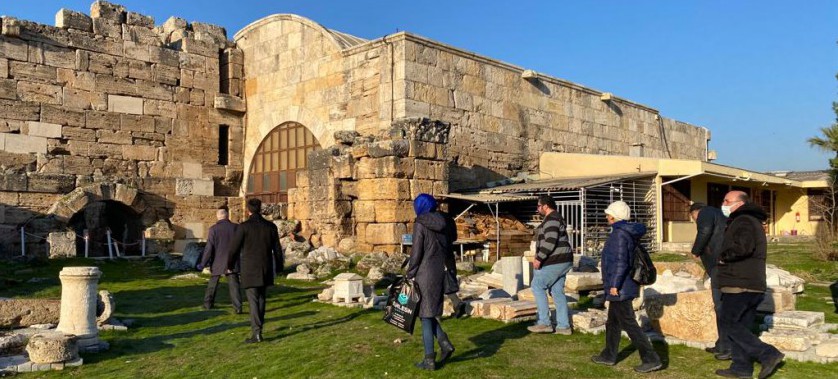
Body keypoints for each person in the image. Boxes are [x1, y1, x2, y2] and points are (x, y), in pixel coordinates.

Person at [714, 191, 784, 379]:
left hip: (740, 282)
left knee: (728, 322)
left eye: (727, 200)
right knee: (741, 326)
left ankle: (768, 354)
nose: (724, 203)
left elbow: (743, 247)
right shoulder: (749, 220)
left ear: (739, 203)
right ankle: (741, 368)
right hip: (749, 282)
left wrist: (722, 257)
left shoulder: (744, 221)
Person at [591, 200, 663, 374]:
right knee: (613, 322)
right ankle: (608, 355)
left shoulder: (619, 235)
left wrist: (614, 285)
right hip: (624, 284)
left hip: (621, 286)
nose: (606, 217)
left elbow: (620, 262)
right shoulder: (626, 232)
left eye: (609, 214)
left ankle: (651, 359)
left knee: (628, 323)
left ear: (615, 217)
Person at [406, 194, 455, 371]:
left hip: (424, 274)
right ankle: (445, 343)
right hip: (438, 273)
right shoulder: (444, 222)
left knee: (425, 317)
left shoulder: (420, 223)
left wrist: (409, 274)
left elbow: (416, 252)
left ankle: (429, 360)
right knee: (428, 313)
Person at [227, 198, 283, 343]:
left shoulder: (244, 227)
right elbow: (277, 249)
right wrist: (279, 266)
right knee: (261, 299)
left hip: (250, 268)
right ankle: (259, 329)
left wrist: (230, 264)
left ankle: (256, 332)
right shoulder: (270, 227)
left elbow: (234, 249)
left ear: (248, 210)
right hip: (265, 267)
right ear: (260, 208)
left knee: (253, 300)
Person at [527, 195, 574, 335]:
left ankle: (544, 323)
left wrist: (539, 258)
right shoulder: (553, 219)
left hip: (557, 260)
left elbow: (550, 241)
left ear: (546, 206)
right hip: (564, 259)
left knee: (537, 285)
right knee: (557, 291)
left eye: (538, 206)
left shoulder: (552, 219)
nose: (537, 209)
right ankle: (563, 326)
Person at [688, 202, 730, 358]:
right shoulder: (720, 215)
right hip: (723, 265)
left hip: (718, 266)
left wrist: (696, 250)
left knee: (720, 307)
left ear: (695, 212)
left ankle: (727, 347)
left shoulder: (705, 213)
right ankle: (722, 343)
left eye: (693, 218)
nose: (694, 221)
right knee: (722, 306)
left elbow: (704, 231)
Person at [199, 206, 242, 314]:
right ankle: (237, 307)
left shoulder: (213, 229)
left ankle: (208, 304)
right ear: (227, 215)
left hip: (218, 260)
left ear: (218, 216)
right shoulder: (236, 227)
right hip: (233, 260)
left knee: (213, 283)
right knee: (234, 285)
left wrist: (203, 263)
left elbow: (209, 248)